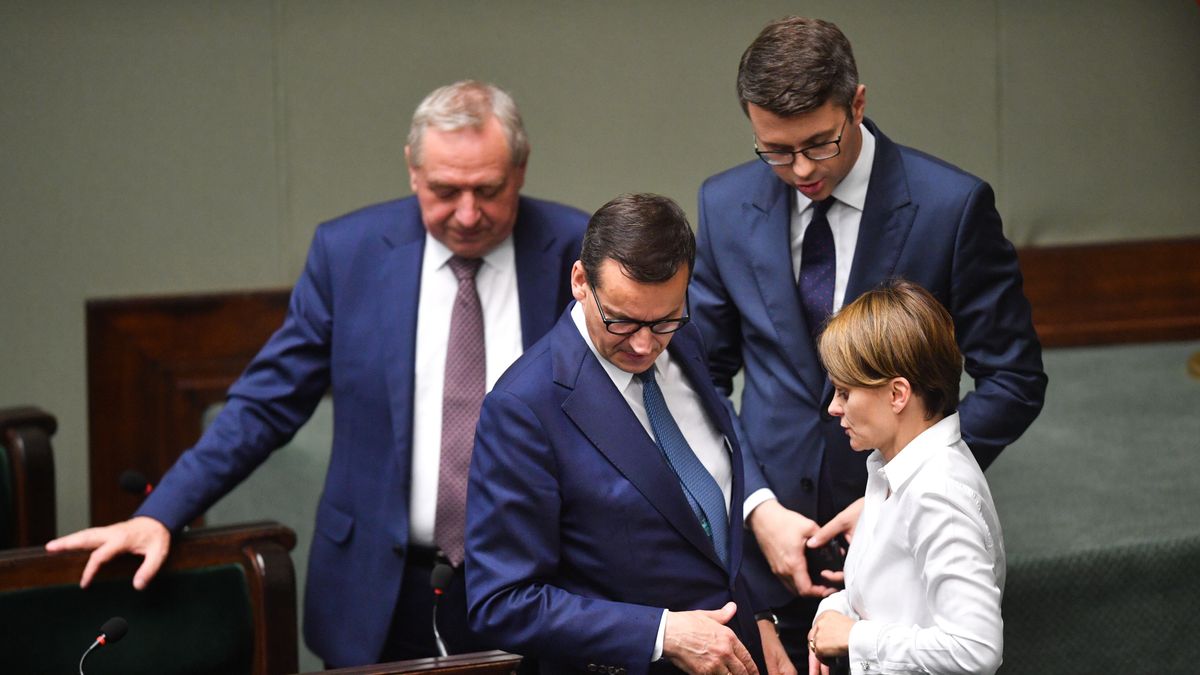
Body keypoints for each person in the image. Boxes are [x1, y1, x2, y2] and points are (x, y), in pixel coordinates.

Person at [46, 80, 588, 668]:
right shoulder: (349, 253)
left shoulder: (573, 250)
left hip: (537, 579)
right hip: (382, 588)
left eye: (488, 190)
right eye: (444, 190)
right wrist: (161, 511)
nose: (466, 213)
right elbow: (267, 403)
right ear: (411, 170)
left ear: (522, 170)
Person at [690, 16, 1044, 659]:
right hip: (765, 541)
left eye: (819, 144)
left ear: (858, 103)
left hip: (904, 561)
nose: (799, 169)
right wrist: (755, 505)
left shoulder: (952, 207)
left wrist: (899, 487)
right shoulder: (722, 205)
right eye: (774, 150)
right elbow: (702, 378)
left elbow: (1015, 379)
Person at [465, 194, 787, 675]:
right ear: (580, 281)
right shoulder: (524, 408)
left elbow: (704, 520)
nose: (643, 344)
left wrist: (758, 617)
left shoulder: (685, 344)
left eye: (663, 321)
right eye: (621, 319)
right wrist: (661, 633)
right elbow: (503, 601)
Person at [806, 279, 1005, 675]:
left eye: (845, 392)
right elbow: (897, 601)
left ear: (898, 394)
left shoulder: (937, 492)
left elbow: (976, 647)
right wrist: (836, 611)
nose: (833, 407)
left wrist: (853, 638)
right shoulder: (892, 469)